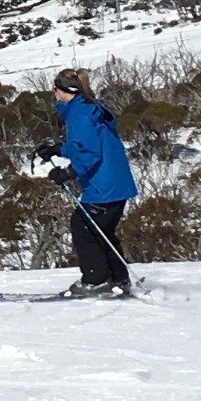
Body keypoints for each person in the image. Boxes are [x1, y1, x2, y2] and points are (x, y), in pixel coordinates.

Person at [44, 68, 138, 296]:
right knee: (101, 230)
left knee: (84, 225)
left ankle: (96, 279)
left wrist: (69, 173)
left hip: (103, 185)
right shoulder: (88, 108)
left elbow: (90, 153)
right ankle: (118, 277)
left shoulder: (81, 114)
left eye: (55, 87)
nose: (54, 92)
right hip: (115, 183)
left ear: (65, 89)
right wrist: (58, 149)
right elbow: (86, 144)